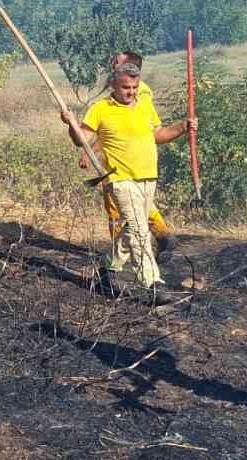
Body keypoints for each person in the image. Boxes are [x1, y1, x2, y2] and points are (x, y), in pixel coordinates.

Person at [60, 63, 195, 295]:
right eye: (126, 87)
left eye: (134, 87)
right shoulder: (100, 109)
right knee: (139, 230)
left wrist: (183, 127)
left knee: (131, 229)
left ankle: (108, 268)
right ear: (113, 84)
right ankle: (152, 283)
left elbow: (158, 135)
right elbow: (81, 140)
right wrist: (71, 125)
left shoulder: (145, 106)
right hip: (120, 179)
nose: (131, 92)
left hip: (148, 177)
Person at [91, 51, 172, 249]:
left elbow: (125, 129)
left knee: (118, 207)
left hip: (127, 164)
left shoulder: (138, 92)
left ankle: (125, 250)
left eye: (117, 62)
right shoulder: (121, 91)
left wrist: (91, 149)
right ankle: (155, 238)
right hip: (121, 161)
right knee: (134, 207)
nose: (113, 63)